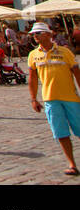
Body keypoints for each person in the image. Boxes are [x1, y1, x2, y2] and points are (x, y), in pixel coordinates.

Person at [26, 21, 80, 176]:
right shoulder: (33, 55)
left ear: (48, 35)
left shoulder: (65, 52)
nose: (35, 36)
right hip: (50, 99)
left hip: (71, 98)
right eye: (33, 34)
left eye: (38, 33)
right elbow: (33, 78)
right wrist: (33, 99)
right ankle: (72, 164)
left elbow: (77, 73)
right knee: (61, 133)